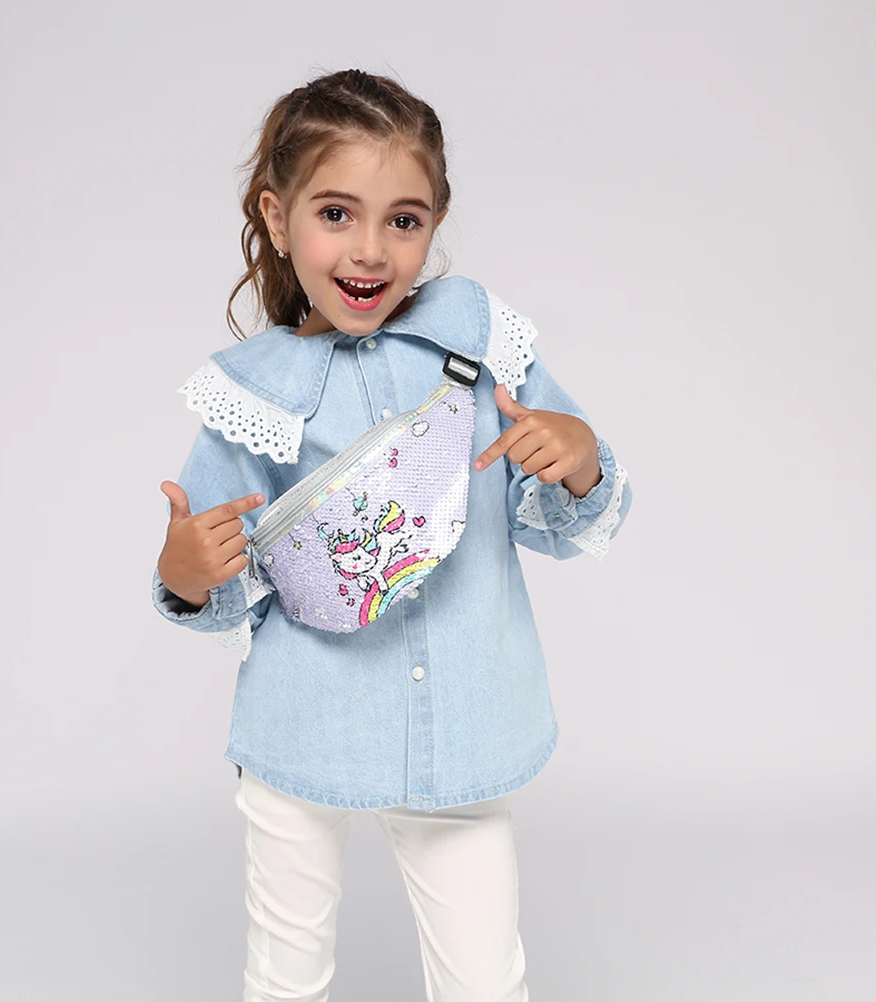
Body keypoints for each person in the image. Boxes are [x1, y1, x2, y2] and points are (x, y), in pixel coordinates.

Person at [152, 67, 632, 1002]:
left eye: (404, 220)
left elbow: (565, 515)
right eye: (336, 213)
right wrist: (186, 570)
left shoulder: (479, 343)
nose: (370, 250)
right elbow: (213, 573)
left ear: (435, 222)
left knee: (485, 980)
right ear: (277, 214)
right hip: (304, 725)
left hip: (465, 726)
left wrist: (577, 455)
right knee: (285, 975)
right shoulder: (253, 392)